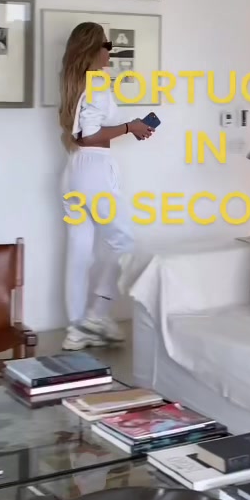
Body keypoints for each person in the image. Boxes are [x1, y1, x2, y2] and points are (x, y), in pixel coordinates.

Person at [59, 22, 153, 350]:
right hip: (95, 169)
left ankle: (76, 329)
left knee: (79, 252)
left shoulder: (73, 82)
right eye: (107, 45)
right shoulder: (96, 82)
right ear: (94, 49)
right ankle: (96, 316)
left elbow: (79, 134)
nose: (110, 51)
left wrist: (129, 128)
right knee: (123, 240)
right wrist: (130, 127)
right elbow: (90, 134)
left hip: (73, 170)